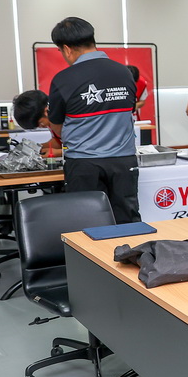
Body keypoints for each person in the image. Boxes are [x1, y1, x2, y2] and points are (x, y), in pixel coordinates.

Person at [46, 17, 139, 223]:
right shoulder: (124, 73)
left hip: (84, 164)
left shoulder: (63, 79)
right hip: (124, 162)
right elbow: (128, 113)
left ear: (67, 49)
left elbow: (56, 126)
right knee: (127, 219)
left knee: (86, 222)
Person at [11, 89, 63, 157]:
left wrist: (59, 153)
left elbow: (77, 147)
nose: (41, 127)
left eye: (40, 124)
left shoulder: (68, 118)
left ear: (46, 111)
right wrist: (37, 147)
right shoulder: (50, 120)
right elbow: (59, 142)